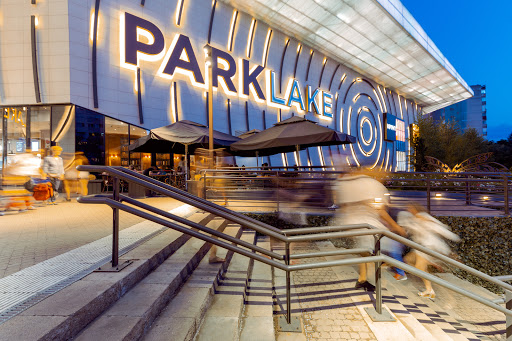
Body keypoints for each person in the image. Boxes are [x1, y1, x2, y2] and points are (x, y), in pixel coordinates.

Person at [332, 172, 406, 291]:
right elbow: (381, 210)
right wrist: (396, 227)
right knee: (387, 246)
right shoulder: (375, 186)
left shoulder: (357, 184)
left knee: (364, 251)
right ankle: (383, 274)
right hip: (367, 225)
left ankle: (362, 279)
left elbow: (344, 203)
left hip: (354, 223)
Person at [398, 204, 460, 299]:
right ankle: (430, 271)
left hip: (428, 246)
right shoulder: (414, 219)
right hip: (421, 247)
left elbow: (439, 227)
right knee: (408, 260)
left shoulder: (423, 216)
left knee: (419, 267)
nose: (409, 210)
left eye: (410, 208)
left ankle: (429, 289)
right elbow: (408, 230)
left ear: (415, 209)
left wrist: (453, 237)